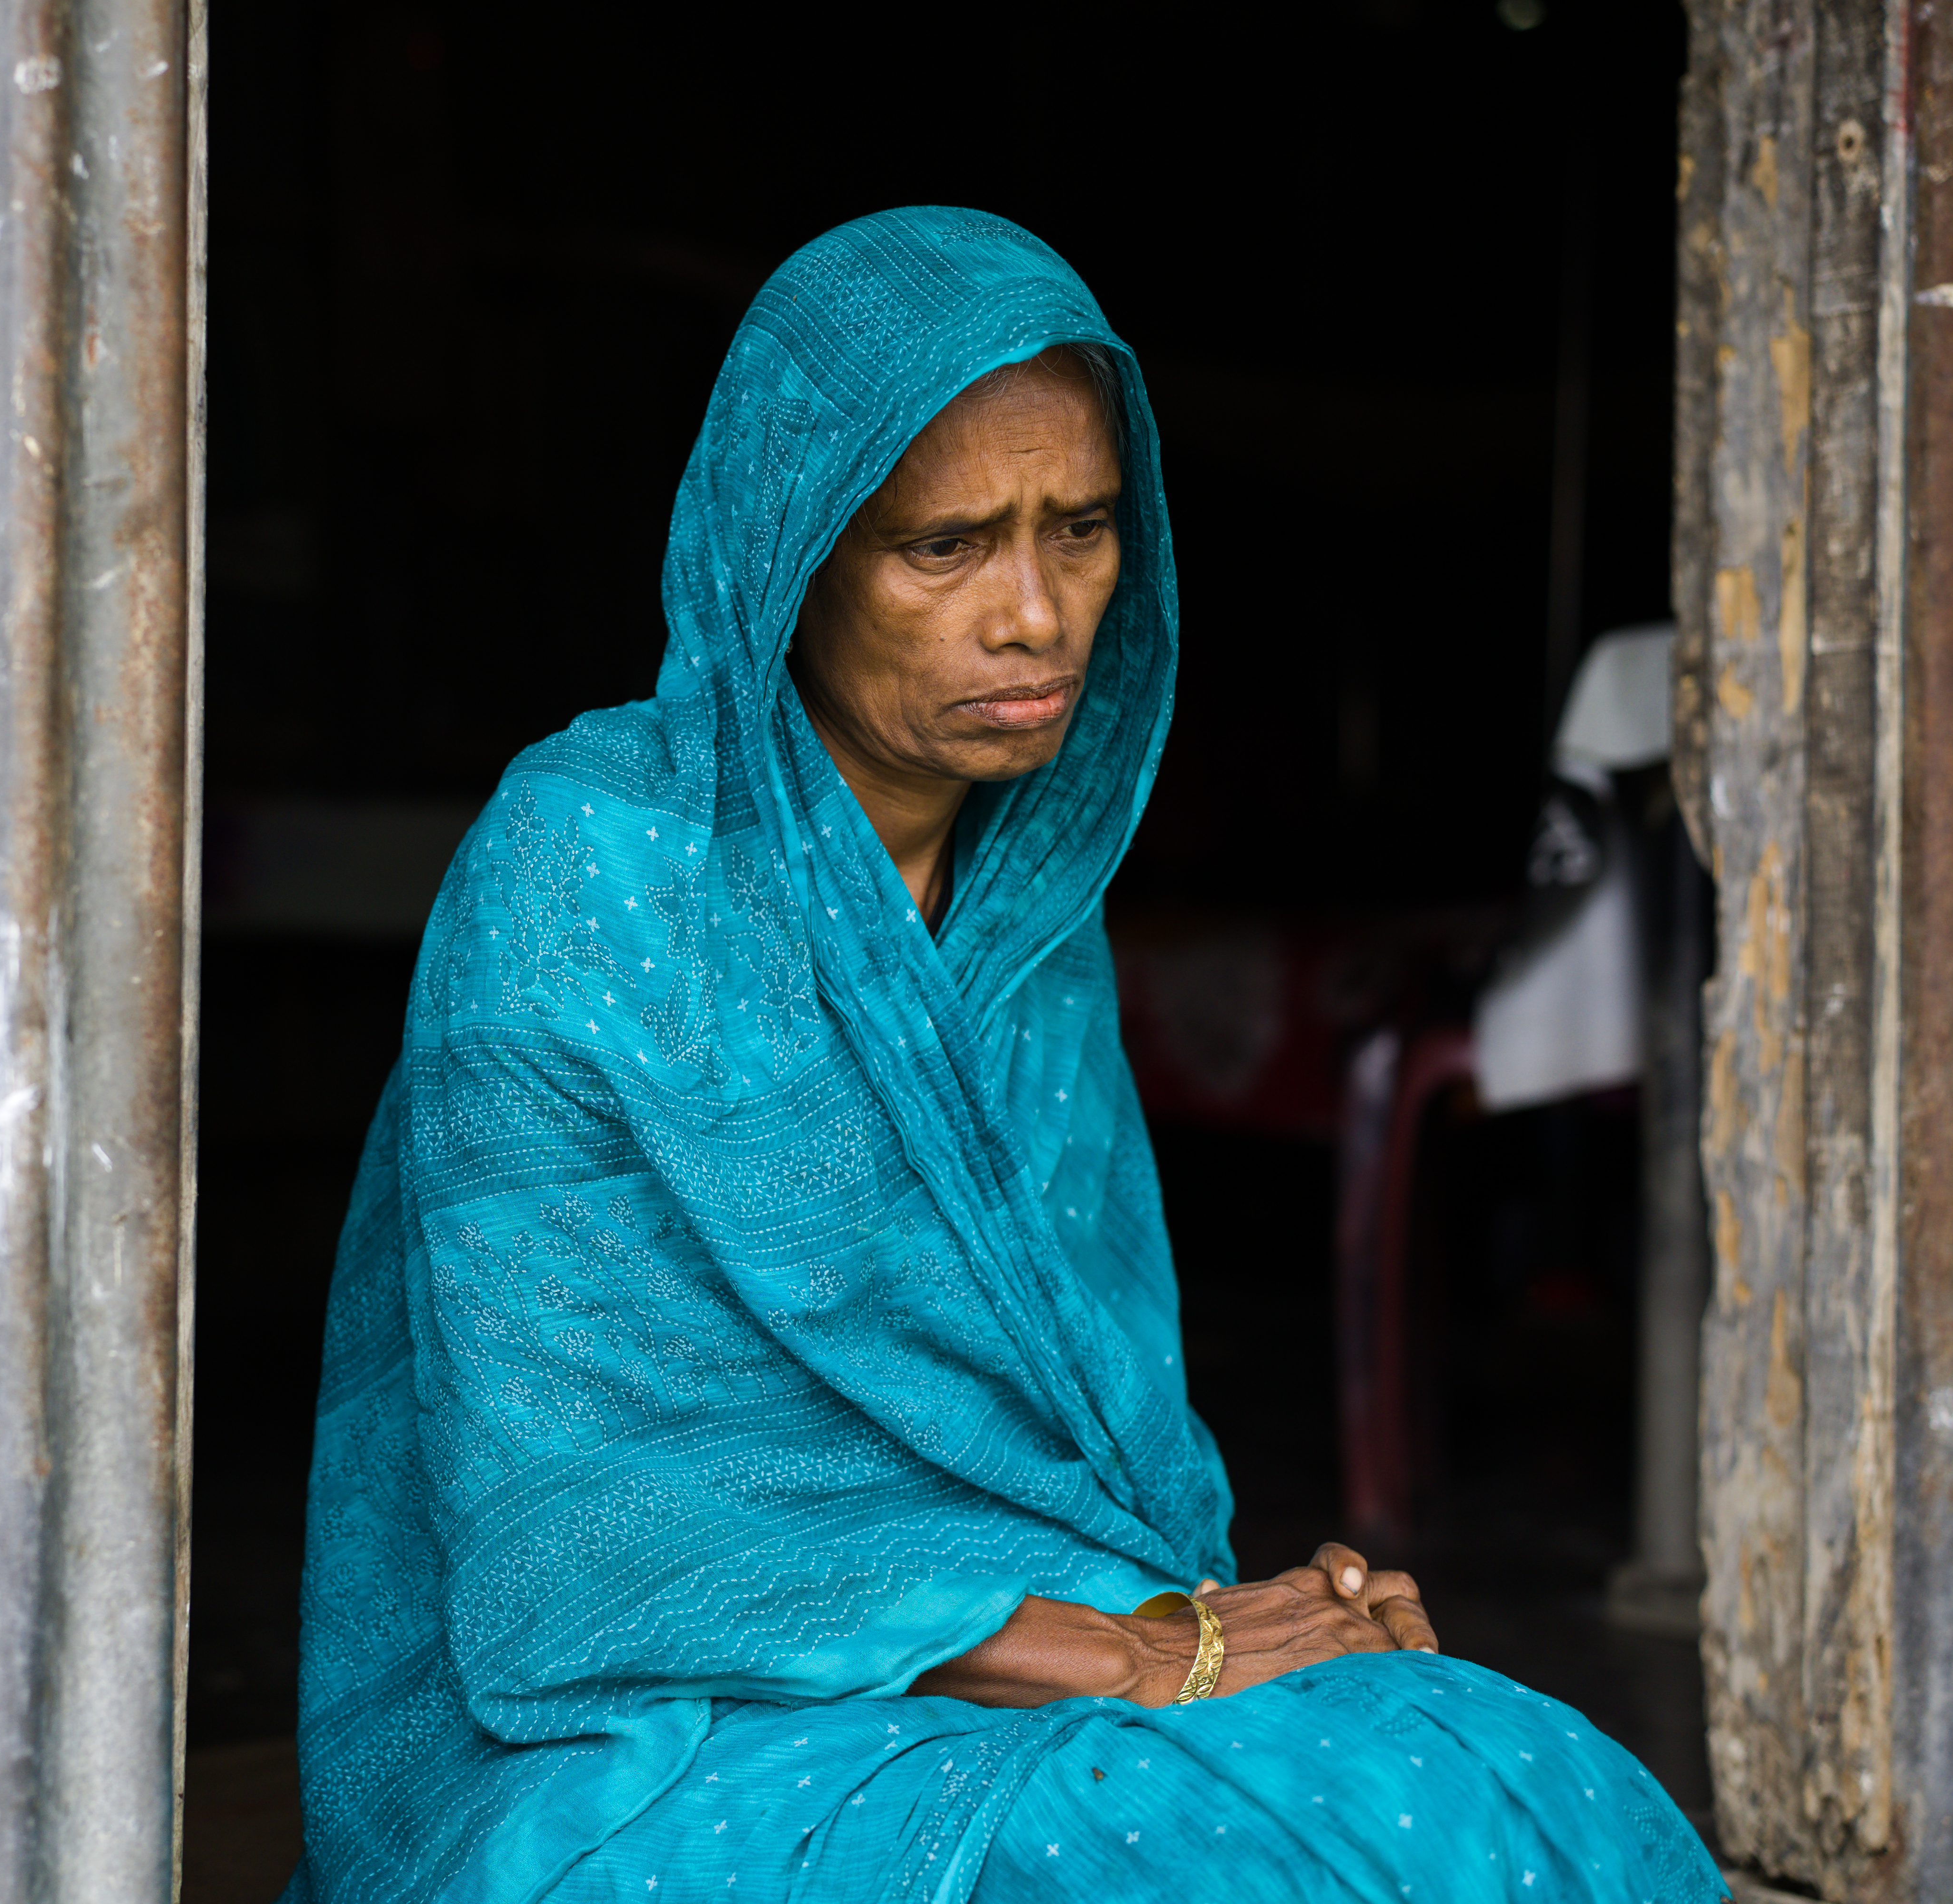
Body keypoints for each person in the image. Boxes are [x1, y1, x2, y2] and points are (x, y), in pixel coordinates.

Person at [283, 208, 1722, 1903]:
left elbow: (1075, 1445)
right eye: (945, 546)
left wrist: (1228, 1627)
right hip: (644, 1735)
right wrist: (1151, 1657)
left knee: (1497, 1765)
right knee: (1238, 1852)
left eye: (1083, 530)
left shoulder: (1028, 914)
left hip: (1033, 1642)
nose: (1036, 614)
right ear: (788, 556)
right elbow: (573, 1554)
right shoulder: (584, 871)